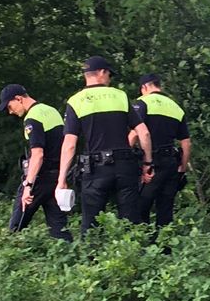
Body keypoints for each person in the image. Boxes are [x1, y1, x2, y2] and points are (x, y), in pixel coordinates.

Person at [56, 56, 144, 235]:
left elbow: (70, 145)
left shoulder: (76, 101)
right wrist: (148, 163)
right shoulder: (120, 96)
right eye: (109, 74)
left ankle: (92, 259)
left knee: (91, 224)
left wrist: (61, 178)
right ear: (102, 72)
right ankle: (134, 257)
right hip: (125, 166)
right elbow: (144, 132)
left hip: (95, 170)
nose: (110, 79)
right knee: (130, 222)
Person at [0, 84, 73, 242]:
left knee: (16, 228)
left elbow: (38, 154)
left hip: (39, 179)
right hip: (56, 178)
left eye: (10, 106)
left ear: (18, 99)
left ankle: (10, 256)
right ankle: (69, 261)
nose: (10, 112)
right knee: (60, 231)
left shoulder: (32, 118)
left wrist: (28, 186)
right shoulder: (51, 111)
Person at [132, 73, 191, 226]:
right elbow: (186, 142)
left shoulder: (142, 103)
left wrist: (124, 156)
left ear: (144, 87)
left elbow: (134, 134)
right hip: (171, 163)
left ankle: (143, 244)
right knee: (165, 210)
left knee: (140, 206)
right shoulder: (175, 107)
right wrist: (182, 168)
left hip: (151, 164)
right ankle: (165, 247)